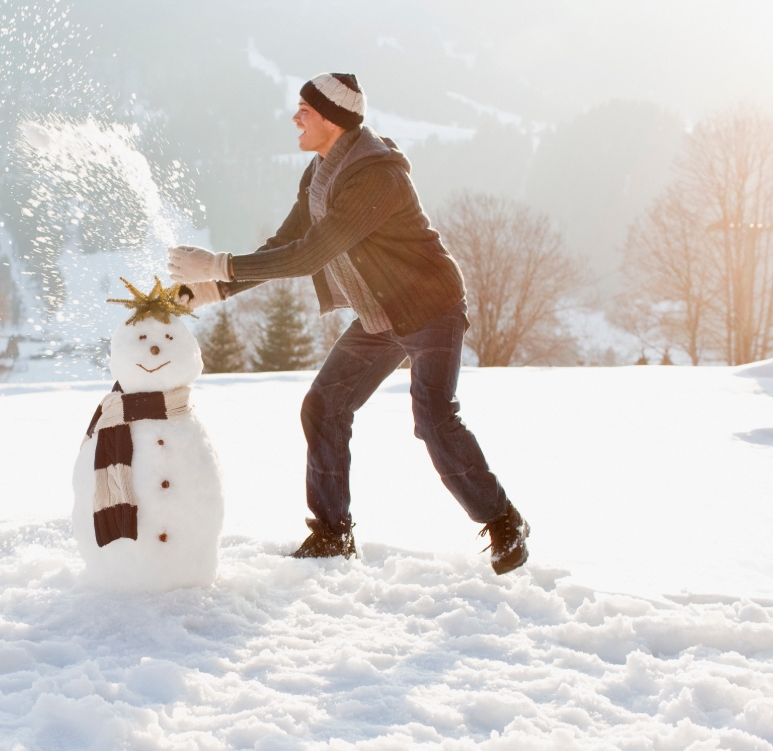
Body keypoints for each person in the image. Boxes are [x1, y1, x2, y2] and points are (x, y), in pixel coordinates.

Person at [166, 73, 529, 574]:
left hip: (431, 309)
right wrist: (216, 288)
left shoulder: (376, 176)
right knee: (324, 406)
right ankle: (333, 535)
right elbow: (285, 245)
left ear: (332, 120)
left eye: (305, 111)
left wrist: (220, 264)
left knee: (432, 416)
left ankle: (504, 520)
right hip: (380, 315)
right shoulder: (318, 173)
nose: (295, 117)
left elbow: (314, 253)